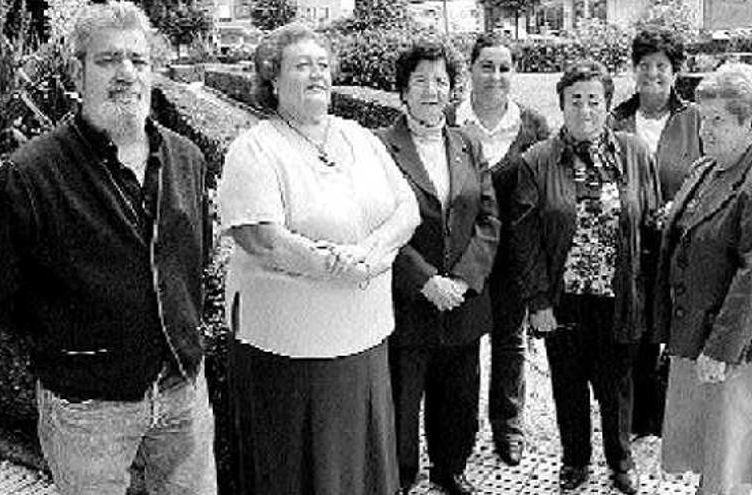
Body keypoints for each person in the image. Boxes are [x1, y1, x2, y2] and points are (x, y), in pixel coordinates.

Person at [0, 2, 216, 494]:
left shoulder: (186, 158)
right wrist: (68, 341)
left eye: (138, 60)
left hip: (184, 393)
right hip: (87, 409)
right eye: (108, 60)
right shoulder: (28, 177)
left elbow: (195, 258)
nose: (126, 72)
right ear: (77, 72)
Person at [217, 23, 420, 495]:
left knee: (359, 467)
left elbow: (405, 208)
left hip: (363, 338)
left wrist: (370, 255)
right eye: (302, 66)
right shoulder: (256, 148)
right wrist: (335, 265)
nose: (317, 75)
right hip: (287, 350)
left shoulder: (358, 138)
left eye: (323, 65)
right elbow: (260, 237)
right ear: (272, 79)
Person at [512, 59, 663, 494]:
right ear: (561, 104)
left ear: (608, 104)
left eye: (594, 100)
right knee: (569, 386)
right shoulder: (537, 161)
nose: (584, 109)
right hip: (564, 299)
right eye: (575, 100)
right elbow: (526, 242)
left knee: (618, 387)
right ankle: (575, 461)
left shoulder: (634, 152)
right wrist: (538, 303)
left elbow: (649, 221)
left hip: (620, 296)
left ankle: (621, 461)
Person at [654, 63, 752, 495]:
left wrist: (720, 351)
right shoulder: (707, 168)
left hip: (734, 348)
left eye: (718, 120)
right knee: (708, 450)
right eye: (702, 118)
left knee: (728, 462)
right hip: (698, 334)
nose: (705, 130)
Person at [377, 41, 500, 495]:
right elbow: (377, 222)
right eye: (421, 81)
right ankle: (402, 477)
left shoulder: (468, 143)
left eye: (442, 81)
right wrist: (424, 279)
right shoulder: (380, 147)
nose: (433, 90)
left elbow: (489, 219)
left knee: (459, 398)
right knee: (402, 401)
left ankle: (451, 468)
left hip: (463, 304)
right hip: (409, 303)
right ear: (403, 91)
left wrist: (464, 280)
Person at [447, 32, 551, 465]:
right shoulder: (449, 119)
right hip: (463, 259)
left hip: (512, 260)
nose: (495, 75)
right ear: (470, 69)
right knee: (463, 345)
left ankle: (507, 427)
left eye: (505, 67)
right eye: (486, 66)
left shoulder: (533, 126)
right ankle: (461, 428)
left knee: (510, 343)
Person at [608, 25, 703, 439]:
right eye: (644, 65)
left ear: (676, 71)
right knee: (631, 332)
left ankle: (669, 416)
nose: (652, 74)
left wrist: (679, 209)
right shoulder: (616, 119)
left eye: (661, 66)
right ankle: (632, 416)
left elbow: (706, 174)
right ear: (634, 69)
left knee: (670, 329)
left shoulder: (693, 118)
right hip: (628, 246)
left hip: (678, 243)